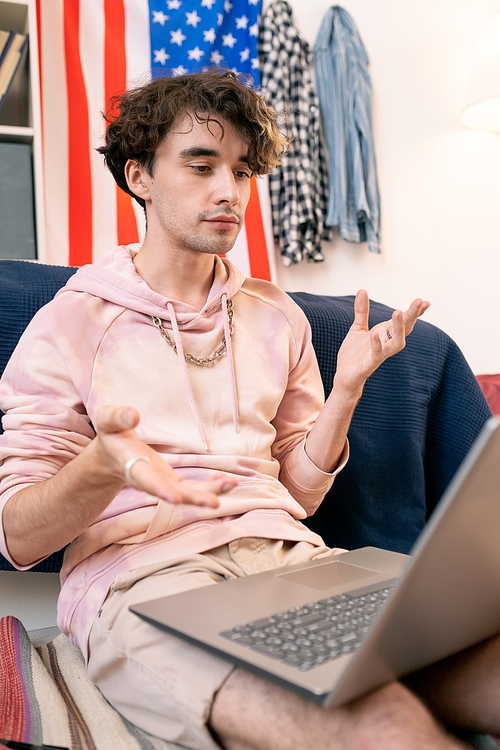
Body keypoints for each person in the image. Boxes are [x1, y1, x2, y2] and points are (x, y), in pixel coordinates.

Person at [0, 69, 498, 750]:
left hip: (291, 561)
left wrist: (346, 388)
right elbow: (19, 538)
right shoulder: (69, 323)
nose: (228, 191)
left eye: (240, 171)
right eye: (201, 165)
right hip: (146, 581)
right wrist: (102, 466)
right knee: (386, 727)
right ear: (140, 176)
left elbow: (296, 490)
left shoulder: (276, 314)